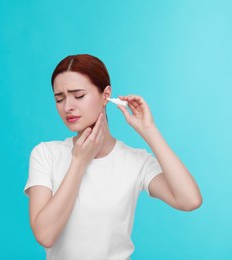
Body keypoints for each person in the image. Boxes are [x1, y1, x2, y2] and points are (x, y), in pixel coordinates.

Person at [23, 54, 203, 260]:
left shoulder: (135, 161)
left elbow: (190, 200)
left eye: (79, 95)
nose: (67, 107)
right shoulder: (46, 154)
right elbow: (45, 235)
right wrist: (79, 162)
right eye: (59, 98)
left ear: (105, 95)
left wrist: (149, 131)